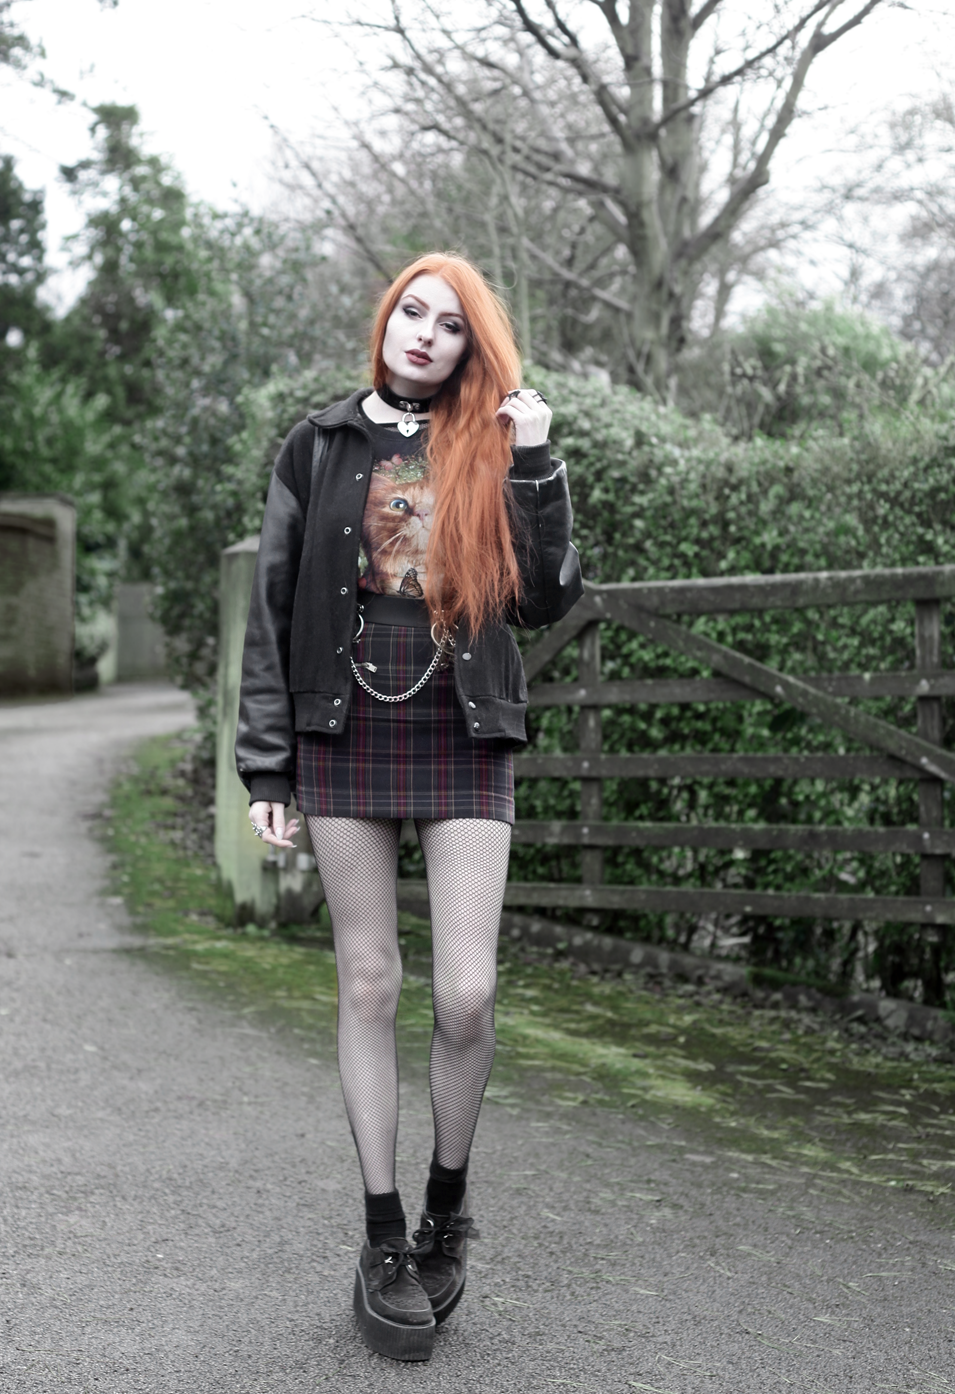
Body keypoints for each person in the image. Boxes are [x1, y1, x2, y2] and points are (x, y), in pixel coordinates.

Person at [235, 252, 583, 1361]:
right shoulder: (318, 442)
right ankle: (383, 1237)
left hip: (462, 723)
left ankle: (447, 1211)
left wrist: (533, 464)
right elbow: (272, 605)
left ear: (473, 350)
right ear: (389, 320)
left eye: (451, 326)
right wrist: (267, 768)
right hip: (341, 727)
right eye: (413, 313)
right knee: (371, 979)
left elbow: (547, 599)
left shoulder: (495, 444)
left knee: (469, 994)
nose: (425, 334)